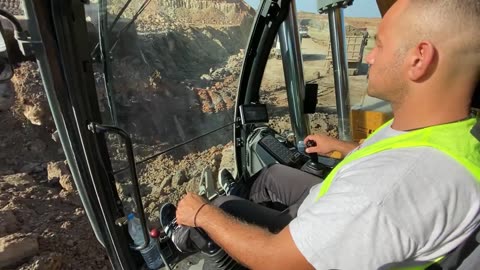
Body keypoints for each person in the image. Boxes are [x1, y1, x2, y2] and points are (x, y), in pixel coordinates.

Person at [167, 0, 480, 268]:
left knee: (223, 210)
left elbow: (276, 260)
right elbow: (392, 154)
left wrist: (203, 213)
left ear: (419, 58)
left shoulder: (383, 193)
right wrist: (341, 147)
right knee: (272, 175)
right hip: (328, 203)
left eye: (380, 44)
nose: (370, 57)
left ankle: (185, 235)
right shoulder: (449, 131)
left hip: (301, 241)